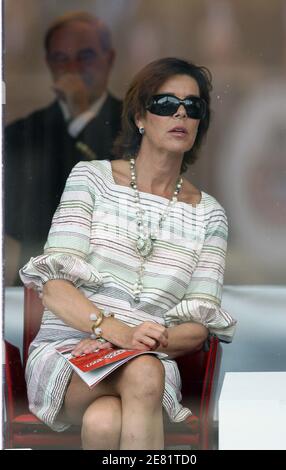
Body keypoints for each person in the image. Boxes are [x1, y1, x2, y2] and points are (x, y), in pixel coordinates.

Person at [19, 57, 237, 450]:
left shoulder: (210, 215)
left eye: (193, 106)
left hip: (151, 354)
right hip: (70, 350)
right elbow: (53, 289)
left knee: (106, 421)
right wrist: (114, 331)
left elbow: (197, 327)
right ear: (140, 116)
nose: (182, 113)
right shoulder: (92, 178)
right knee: (141, 374)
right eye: (166, 104)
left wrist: (137, 343)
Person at [5, 11, 122, 285]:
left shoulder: (139, 125)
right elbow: (16, 220)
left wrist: (81, 115)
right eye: (61, 58)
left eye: (85, 56)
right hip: (37, 291)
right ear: (49, 64)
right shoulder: (22, 133)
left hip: (115, 289)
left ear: (110, 60)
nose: (72, 68)